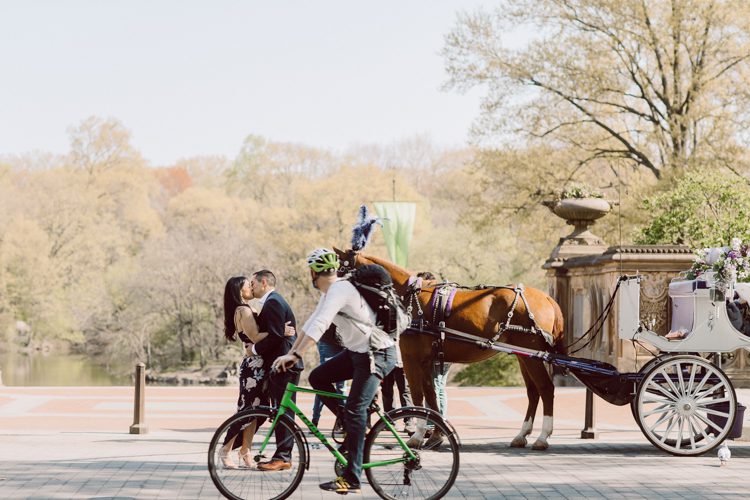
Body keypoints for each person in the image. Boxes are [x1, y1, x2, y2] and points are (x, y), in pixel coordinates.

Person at [272, 248, 396, 495]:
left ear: (314, 272)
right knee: (318, 377)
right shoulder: (332, 291)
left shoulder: (340, 289)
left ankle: (352, 478)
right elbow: (310, 324)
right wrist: (291, 353)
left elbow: (321, 324)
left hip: (376, 353)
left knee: (355, 409)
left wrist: (295, 354)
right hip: (357, 352)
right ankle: (351, 427)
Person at [218, 276, 295, 469]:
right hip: (253, 367)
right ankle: (225, 450)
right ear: (239, 291)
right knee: (246, 411)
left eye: (252, 284)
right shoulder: (243, 310)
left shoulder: (246, 308)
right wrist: (279, 332)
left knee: (256, 412)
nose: (251, 288)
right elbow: (255, 336)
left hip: (259, 365)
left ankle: (246, 451)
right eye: (247, 285)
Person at [249, 269, 301, 472]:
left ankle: (283, 456)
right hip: (281, 364)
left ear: (263, 283)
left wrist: (252, 350)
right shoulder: (273, 302)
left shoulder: (273, 302)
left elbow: (276, 336)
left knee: (284, 411)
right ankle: (282, 455)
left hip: (284, 365)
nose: (252, 287)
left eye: (253, 283)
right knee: (282, 410)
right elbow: (277, 332)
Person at [416, 271, 453, 419]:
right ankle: (438, 420)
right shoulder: (442, 298)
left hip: (439, 351)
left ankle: (435, 423)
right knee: (439, 386)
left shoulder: (434, 302)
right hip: (445, 351)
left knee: (435, 386)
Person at [311, 324, 346, 428]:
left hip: (346, 343)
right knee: (322, 382)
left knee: (341, 386)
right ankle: (315, 420)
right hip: (328, 341)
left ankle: (341, 421)